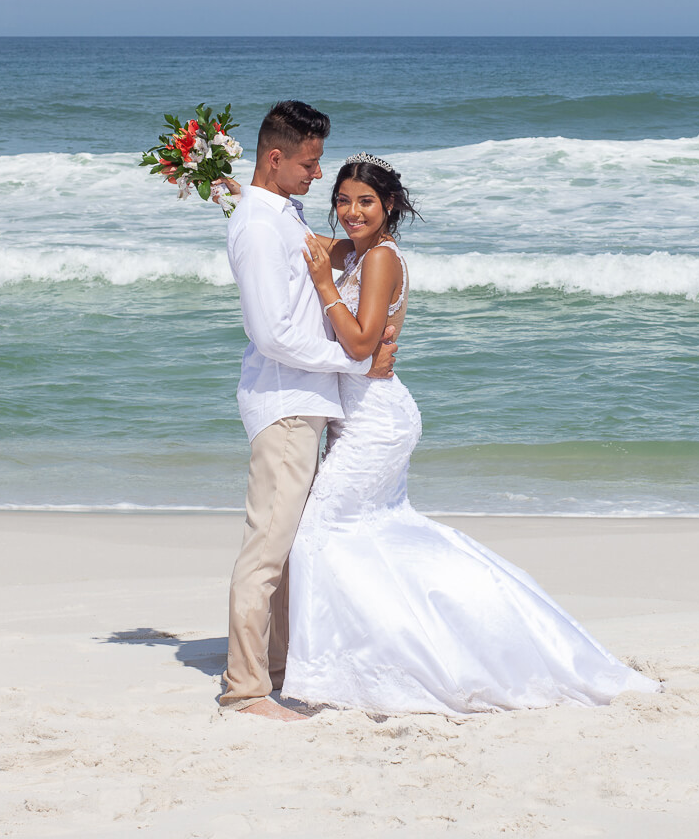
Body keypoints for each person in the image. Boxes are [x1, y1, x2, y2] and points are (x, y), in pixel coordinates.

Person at [280, 153, 661, 714]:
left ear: (389, 205)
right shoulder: (355, 250)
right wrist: (231, 189)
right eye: (342, 200)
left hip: (376, 422)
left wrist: (322, 285)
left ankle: (361, 662)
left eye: (366, 201)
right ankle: (383, 651)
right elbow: (296, 239)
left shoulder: (380, 258)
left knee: (321, 531)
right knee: (372, 536)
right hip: (362, 416)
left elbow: (360, 345)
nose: (352, 211)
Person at [219, 105, 398, 721]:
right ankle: (245, 690)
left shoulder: (278, 211)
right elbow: (272, 334)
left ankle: (278, 668)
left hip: (305, 400)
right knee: (267, 551)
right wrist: (354, 363)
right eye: (309, 162)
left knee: (290, 549)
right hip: (286, 402)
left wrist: (236, 189)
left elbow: (314, 249)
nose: (318, 175)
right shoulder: (258, 226)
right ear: (276, 159)